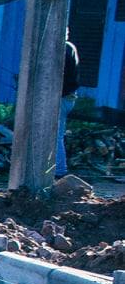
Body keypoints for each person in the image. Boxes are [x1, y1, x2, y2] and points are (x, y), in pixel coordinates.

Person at [59, 33, 80, 178]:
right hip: (69, 96)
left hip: (62, 97)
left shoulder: (63, 49)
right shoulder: (70, 47)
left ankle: (60, 170)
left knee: (55, 135)